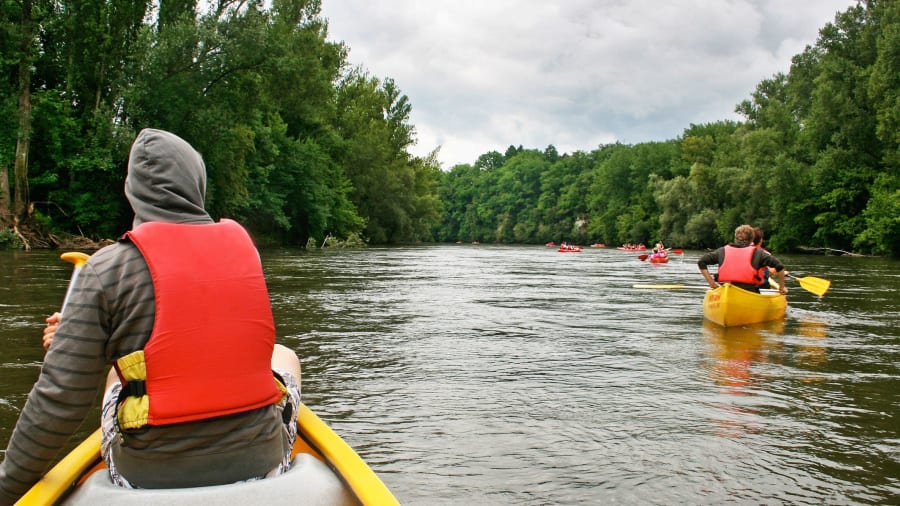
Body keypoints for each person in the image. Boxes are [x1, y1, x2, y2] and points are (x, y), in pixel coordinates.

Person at [0, 129, 302, 504]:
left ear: (132, 191)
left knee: (117, 373)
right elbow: (202, 334)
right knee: (284, 355)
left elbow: (58, 401)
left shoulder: (106, 268)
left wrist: (7, 489)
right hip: (261, 464)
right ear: (197, 184)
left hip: (145, 477)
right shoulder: (247, 253)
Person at [698, 224, 788, 294]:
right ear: (752, 239)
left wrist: (712, 284)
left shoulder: (722, 251)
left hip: (725, 290)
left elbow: (701, 262)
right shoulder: (759, 253)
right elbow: (780, 267)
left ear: (735, 238)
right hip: (749, 291)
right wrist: (781, 287)